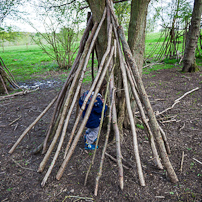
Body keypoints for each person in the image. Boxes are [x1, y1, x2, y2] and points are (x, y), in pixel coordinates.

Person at [79, 81, 108, 150]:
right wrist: (104, 105)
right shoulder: (97, 98)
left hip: (87, 117)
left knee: (91, 128)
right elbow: (100, 110)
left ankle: (87, 135)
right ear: (102, 88)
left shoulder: (87, 93)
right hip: (94, 118)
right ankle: (88, 143)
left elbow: (81, 102)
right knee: (95, 131)